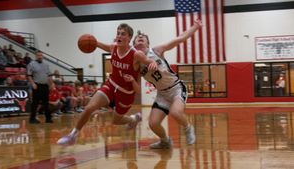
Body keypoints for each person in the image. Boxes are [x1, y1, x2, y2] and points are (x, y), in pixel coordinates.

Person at [57, 23, 157, 146]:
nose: (119, 36)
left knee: (116, 120)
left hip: (126, 93)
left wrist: (152, 64)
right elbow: (96, 43)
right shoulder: (113, 47)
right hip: (111, 85)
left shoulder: (136, 54)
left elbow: (149, 61)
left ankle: (133, 119)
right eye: (118, 33)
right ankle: (73, 135)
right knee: (89, 107)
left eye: (123, 34)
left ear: (129, 38)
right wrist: (90, 40)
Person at [132, 20, 202, 149]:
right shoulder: (135, 64)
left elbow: (179, 39)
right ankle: (165, 141)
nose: (140, 38)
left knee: (175, 113)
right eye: (137, 38)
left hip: (176, 88)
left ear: (148, 43)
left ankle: (188, 128)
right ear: (134, 45)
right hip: (162, 94)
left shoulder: (157, 50)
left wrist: (195, 27)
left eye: (143, 38)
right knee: (153, 123)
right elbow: (136, 87)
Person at [27, 51, 53, 124]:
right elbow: (29, 75)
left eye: (41, 55)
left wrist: (51, 84)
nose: (40, 56)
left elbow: (49, 75)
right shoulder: (31, 64)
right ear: (36, 56)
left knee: (46, 103)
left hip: (45, 86)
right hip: (37, 86)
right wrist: (32, 84)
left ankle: (48, 118)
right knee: (35, 103)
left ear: (42, 56)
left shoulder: (46, 65)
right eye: (38, 55)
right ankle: (32, 119)